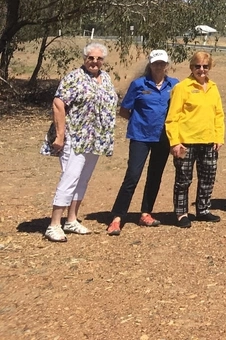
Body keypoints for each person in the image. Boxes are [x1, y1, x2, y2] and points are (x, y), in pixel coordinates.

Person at [41, 42, 118, 242]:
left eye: (99, 58)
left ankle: (72, 219)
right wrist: (60, 135)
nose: (94, 61)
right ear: (84, 58)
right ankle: (54, 224)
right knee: (70, 178)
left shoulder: (106, 78)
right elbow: (58, 104)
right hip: (75, 138)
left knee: (82, 180)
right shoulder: (74, 78)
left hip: (95, 140)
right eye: (91, 58)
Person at [106, 49, 178, 236]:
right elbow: (124, 110)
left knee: (155, 176)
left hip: (163, 138)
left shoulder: (175, 85)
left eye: (162, 63)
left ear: (167, 65)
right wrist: (139, 122)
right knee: (132, 175)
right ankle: (117, 217)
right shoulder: (139, 84)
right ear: (150, 64)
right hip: (140, 137)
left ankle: (146, 213)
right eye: (155, 63)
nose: (159, 66)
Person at [166, 51, 225, 228]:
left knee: (208, 178)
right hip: (186, 142)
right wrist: (174, 141)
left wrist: (219, 137)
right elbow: (172, 117)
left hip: (209, 141)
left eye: (205, 66)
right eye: (197, 66)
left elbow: (219, 115)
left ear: (210, 67)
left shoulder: (213, 87)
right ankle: (181, 213)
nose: (201, 70)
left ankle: (203, 210)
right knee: (183, 180)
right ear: (191, 67)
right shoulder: (182, 87)